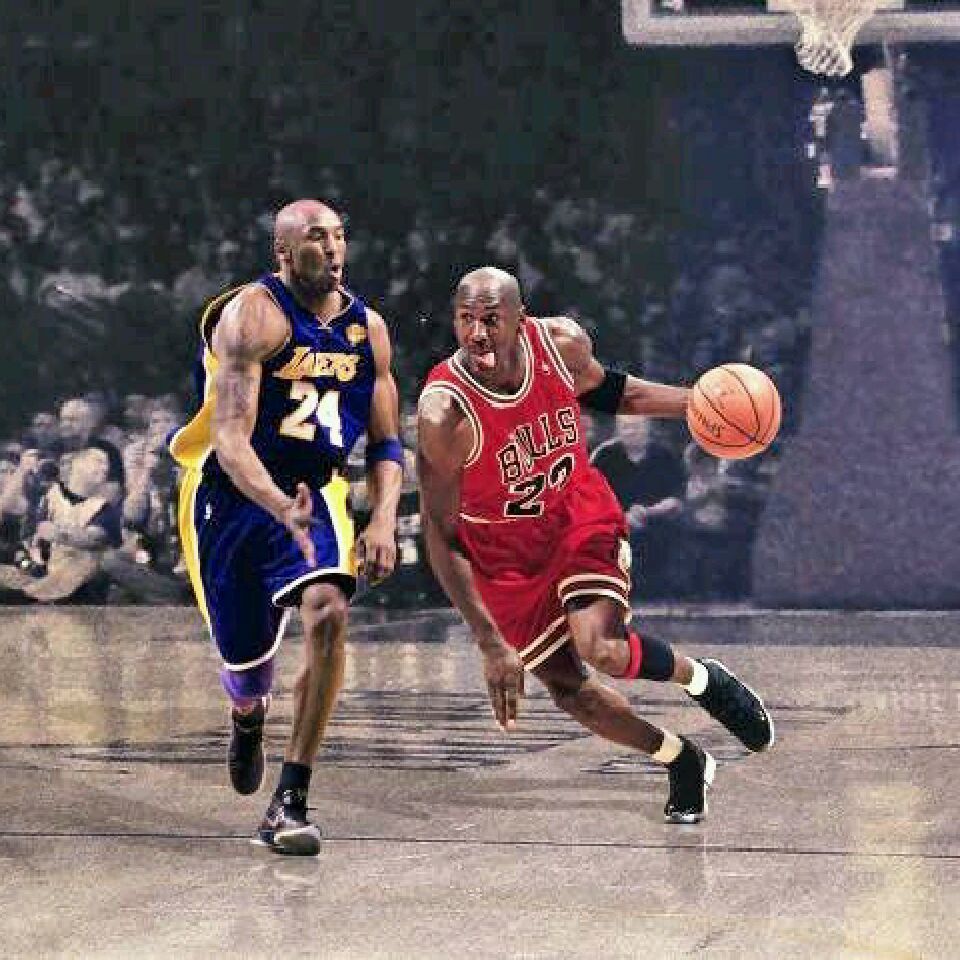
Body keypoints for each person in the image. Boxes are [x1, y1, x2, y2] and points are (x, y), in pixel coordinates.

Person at [417, 267, 773, 824]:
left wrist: (701, 404)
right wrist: (488, 640)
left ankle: (704, 680)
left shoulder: (560, 344)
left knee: (601, 647)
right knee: (570, 691)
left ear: (521, 319)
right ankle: (682, 759)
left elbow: (617, 391)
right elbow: (440, 533)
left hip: (575, 515)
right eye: (466, 320)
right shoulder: (445, 413)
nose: (478, 334)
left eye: (491, 319)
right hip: (505, 557)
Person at [169, 200, 403, 854]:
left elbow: (387, 443)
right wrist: (276, 505)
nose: (331, 248)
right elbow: (230, 439)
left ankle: (291, 798)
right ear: (283, 252)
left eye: (339, 236)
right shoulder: (254, 315)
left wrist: (383, 519)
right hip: (235, 498)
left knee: (329, 610)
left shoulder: (369, 330)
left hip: (315, 494)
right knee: (247, 670)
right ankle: (247, 717)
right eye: (315, 238)